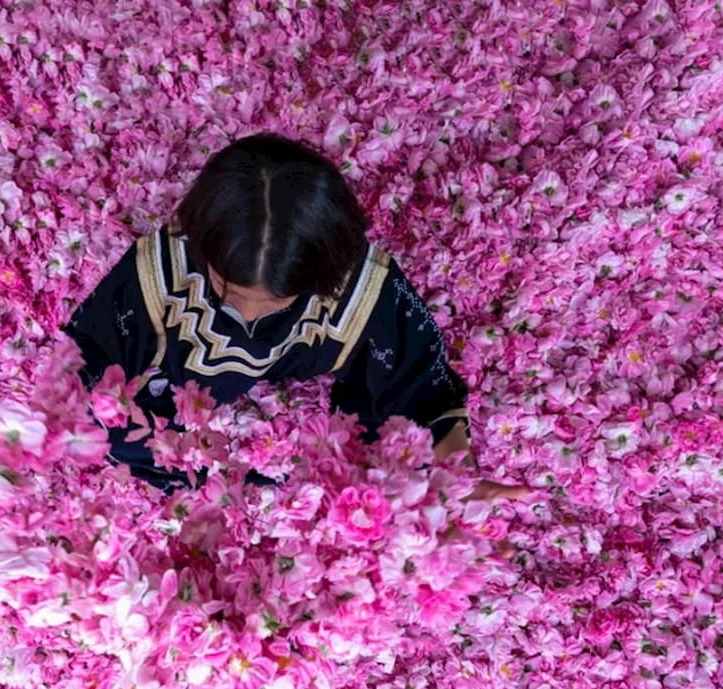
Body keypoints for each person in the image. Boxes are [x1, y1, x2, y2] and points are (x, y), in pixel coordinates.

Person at [64, 133, 525, 504]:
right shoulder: (159, 272)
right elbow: (87, 364)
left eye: (274, 302)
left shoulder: (352, 278)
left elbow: (419, 379)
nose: (246, 316)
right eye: (230, 291)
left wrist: (455, 474)